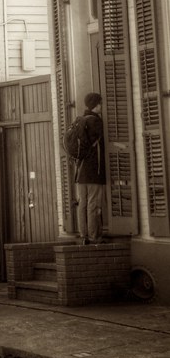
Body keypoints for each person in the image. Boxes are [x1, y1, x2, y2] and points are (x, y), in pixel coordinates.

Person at [75, 92, 106, 245]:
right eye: (100, 103)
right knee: (93, 203)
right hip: (94, 170)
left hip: (80, 172)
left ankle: (83, 235)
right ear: (96, 105)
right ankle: (94, 236)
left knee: (83, 203)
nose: (102, 106)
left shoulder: (81, 121)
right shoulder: (96, 122)